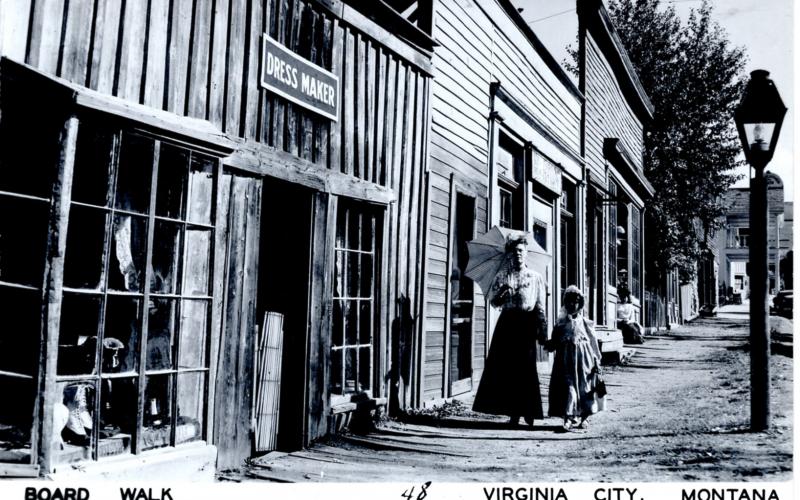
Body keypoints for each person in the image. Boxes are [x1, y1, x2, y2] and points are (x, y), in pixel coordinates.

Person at [472, 234, 548, 427]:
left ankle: (529, 412)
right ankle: (513, 413)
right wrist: (502, 293)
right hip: (508, 323)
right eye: (514, 252)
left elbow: (540, 305)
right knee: (509, 369)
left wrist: (542, 330)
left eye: (521, 251)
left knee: (527, 368)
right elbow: (495, 303)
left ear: (526, 253)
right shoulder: (502, 275)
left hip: (527, 323)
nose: (518, 255)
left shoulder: (535, 277)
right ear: (509, 255)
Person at [547, 286, 605, 431]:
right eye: (569, 302)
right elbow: (554, 341)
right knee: (568, 387)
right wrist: (549, 343)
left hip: (584, 360)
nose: (572, 305)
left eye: (576, 302)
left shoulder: (585, 323)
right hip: (565, 359)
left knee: (585, 387)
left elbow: (593, 342)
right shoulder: (560, 322)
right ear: (565, 303)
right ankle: (568, 417)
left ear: (580, 304)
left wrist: (597, 359)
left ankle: (585, 417)